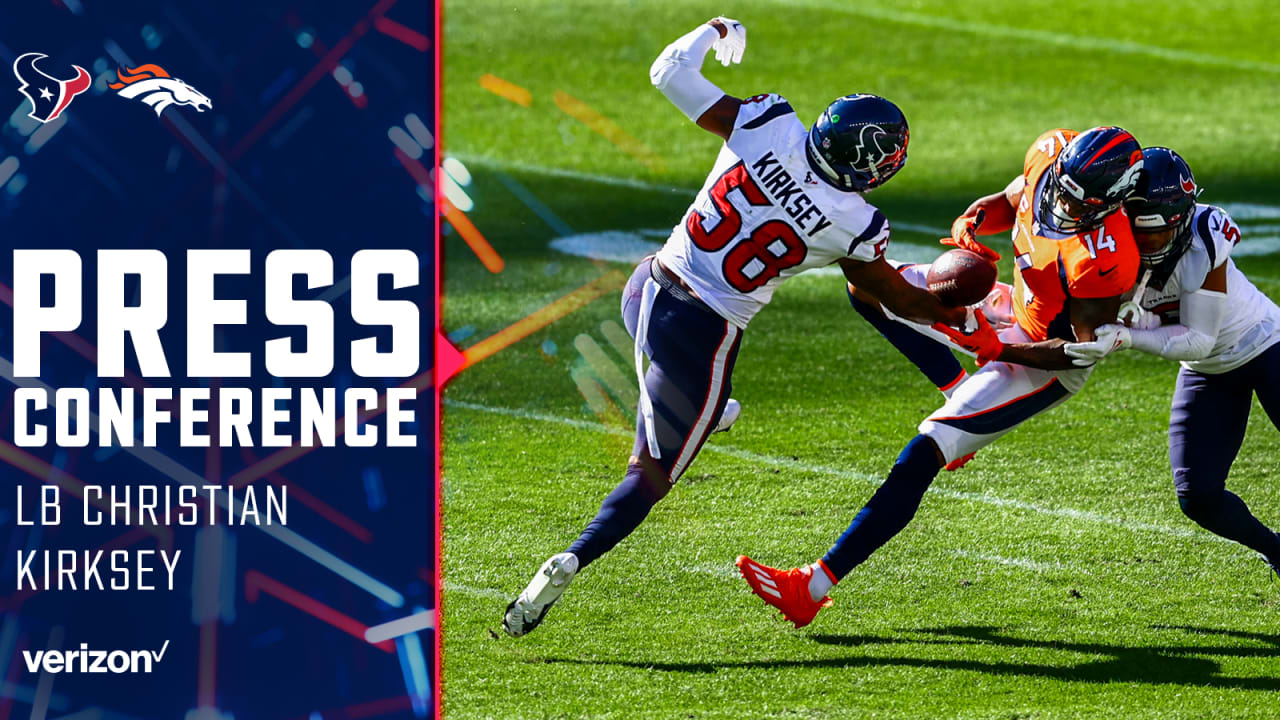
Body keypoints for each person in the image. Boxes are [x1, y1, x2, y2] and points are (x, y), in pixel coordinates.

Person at [502, 16, 989, 637]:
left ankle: (705, 411)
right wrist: (961, 311)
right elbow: (890, 297)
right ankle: (576, 553)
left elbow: (668, 72)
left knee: (681, 393)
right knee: (648, 474)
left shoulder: (767, 122)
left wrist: (714, 31)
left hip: (647, 286)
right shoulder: (854, 223)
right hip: (701, 338)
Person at [738, 125, 1146, 628]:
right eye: (1062, 188)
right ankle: (958, 390)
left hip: (1040, 360)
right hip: (1009, 307)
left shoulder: (1106, 258)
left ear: (1112, 203)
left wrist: (1000, 348)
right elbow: (1012, 199)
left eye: (1079, 203)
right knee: (870, 289)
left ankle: (810, 588)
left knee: (926, 447)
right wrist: (974, 219)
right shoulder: (1051, 157)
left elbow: (1080, 352)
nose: (1062, 204)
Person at [1063, 147, 1280, 577]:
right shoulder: (1105, 239)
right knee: (1198, 496)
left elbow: (1199, 338)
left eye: (1158, 233)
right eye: (1139, 232)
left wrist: (1129, 335)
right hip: (1209, 374)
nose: (1148, 243)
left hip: (1263, 345)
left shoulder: (1203, 235)